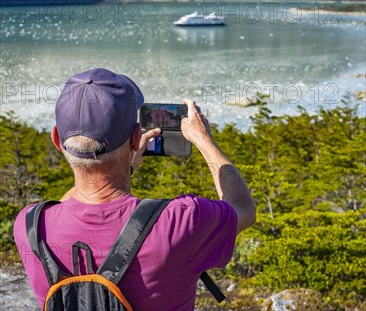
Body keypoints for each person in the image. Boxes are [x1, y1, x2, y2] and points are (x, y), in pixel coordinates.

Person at [14, 68, 256, 311]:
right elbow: (243, 207)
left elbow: (69, 204)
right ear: (136, 137)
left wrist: (123, 166)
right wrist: (204, 140)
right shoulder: (181, 221)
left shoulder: (30, 226)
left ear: (57, 139)